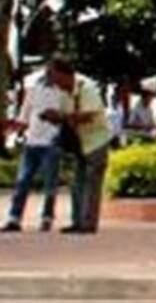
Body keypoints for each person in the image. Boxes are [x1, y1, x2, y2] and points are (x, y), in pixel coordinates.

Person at [42, 58, 109, 234]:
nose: (52, 81)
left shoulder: (87, 88)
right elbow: (67, 116)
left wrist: (62, 117)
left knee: (91, 184)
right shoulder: (64, 93)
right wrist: (55, 117)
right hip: (79, 143)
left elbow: (87, 115)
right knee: (77, 182)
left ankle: (88, 223)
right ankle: (78, 220)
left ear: (63, 73)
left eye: (53, 75)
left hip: (96, 142)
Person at [3, 64, 68, 232]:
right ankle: (14, 217)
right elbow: (25, 114)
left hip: (51, 141)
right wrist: (15, 129)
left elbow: (65, 116)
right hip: (31, 141)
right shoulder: (33, 89)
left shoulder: (62, 92)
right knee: (22, 181)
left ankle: (47, 217)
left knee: (50, 183)